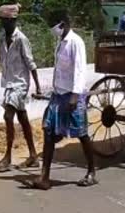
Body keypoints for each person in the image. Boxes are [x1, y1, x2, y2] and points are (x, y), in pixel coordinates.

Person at [33, 10, 96, 190]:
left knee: (81, 134)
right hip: (58, 94)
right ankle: (44, 177)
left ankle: (91, 171)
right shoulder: (61, 43)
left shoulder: (76, 42)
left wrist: (75, 96)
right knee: (48, 131)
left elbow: (79, 70)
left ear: (63, 24)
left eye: (55, 26)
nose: (53, 29)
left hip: (72, 95)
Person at [0, 4, 42, 172]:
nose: (3, 24)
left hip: (20, 84)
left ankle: (7, 157)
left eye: (5, 21)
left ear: (12, 21)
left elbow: (31, 63)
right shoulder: (2, 38)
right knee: (22, 118)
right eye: (1, 21)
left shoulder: (21, 39)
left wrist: (37, 86)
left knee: (8, 116)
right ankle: (33, 156)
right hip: (8, 83)